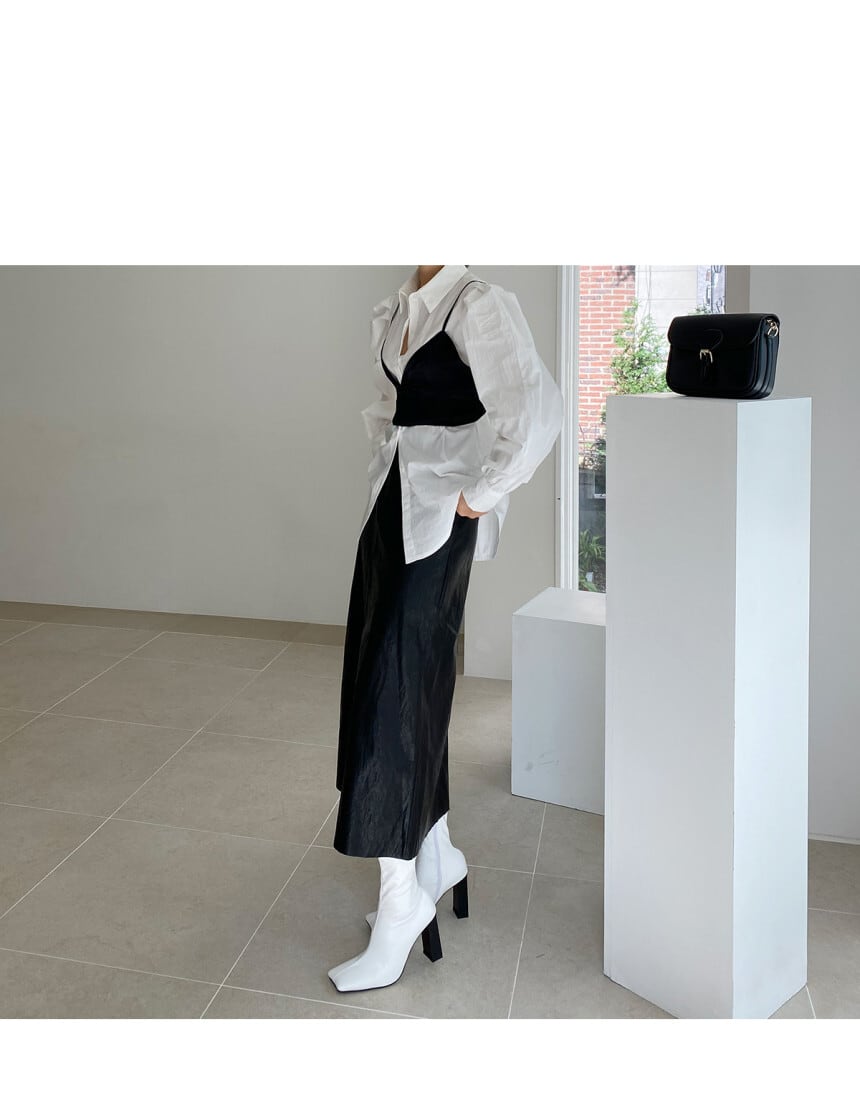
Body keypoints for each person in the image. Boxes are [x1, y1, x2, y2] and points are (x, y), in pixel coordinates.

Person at [328, 265, 564, 993]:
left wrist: (478, 495)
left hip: (435, 521)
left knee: (391, 698)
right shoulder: (402, 306)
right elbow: (397, 406)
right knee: (400, 686)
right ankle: (438, 856)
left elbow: (538, 412)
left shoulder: (479, 304)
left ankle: (401, 903)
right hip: (390, 509)